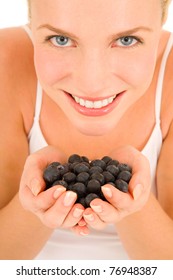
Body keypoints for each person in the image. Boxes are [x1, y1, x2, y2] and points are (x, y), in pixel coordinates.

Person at [0, 0, 173, 260]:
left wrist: (132, 197)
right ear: (32, 23)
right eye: (60, 39)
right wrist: (40, 198)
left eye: (127, 40)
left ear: (161, 23)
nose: (92, 83)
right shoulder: (6, 59)